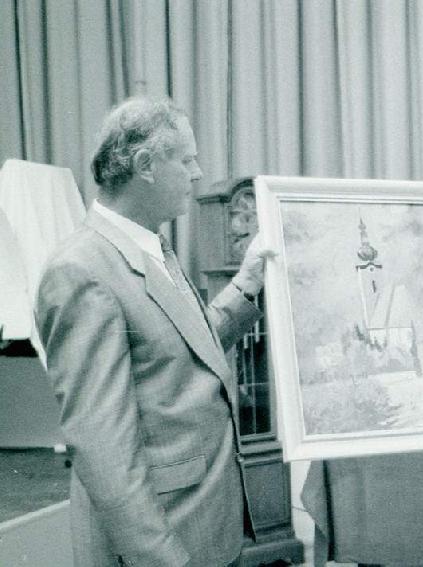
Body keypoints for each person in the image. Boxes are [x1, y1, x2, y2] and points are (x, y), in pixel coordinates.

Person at [35, 96, 272, 566]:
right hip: (164, 544)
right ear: (145, 165)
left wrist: (247, 284)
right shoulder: (81, 271)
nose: (198, 172)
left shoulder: (150, 248)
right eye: (186, 159)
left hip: (202, 524)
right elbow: (106, 457)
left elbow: (183, 350)